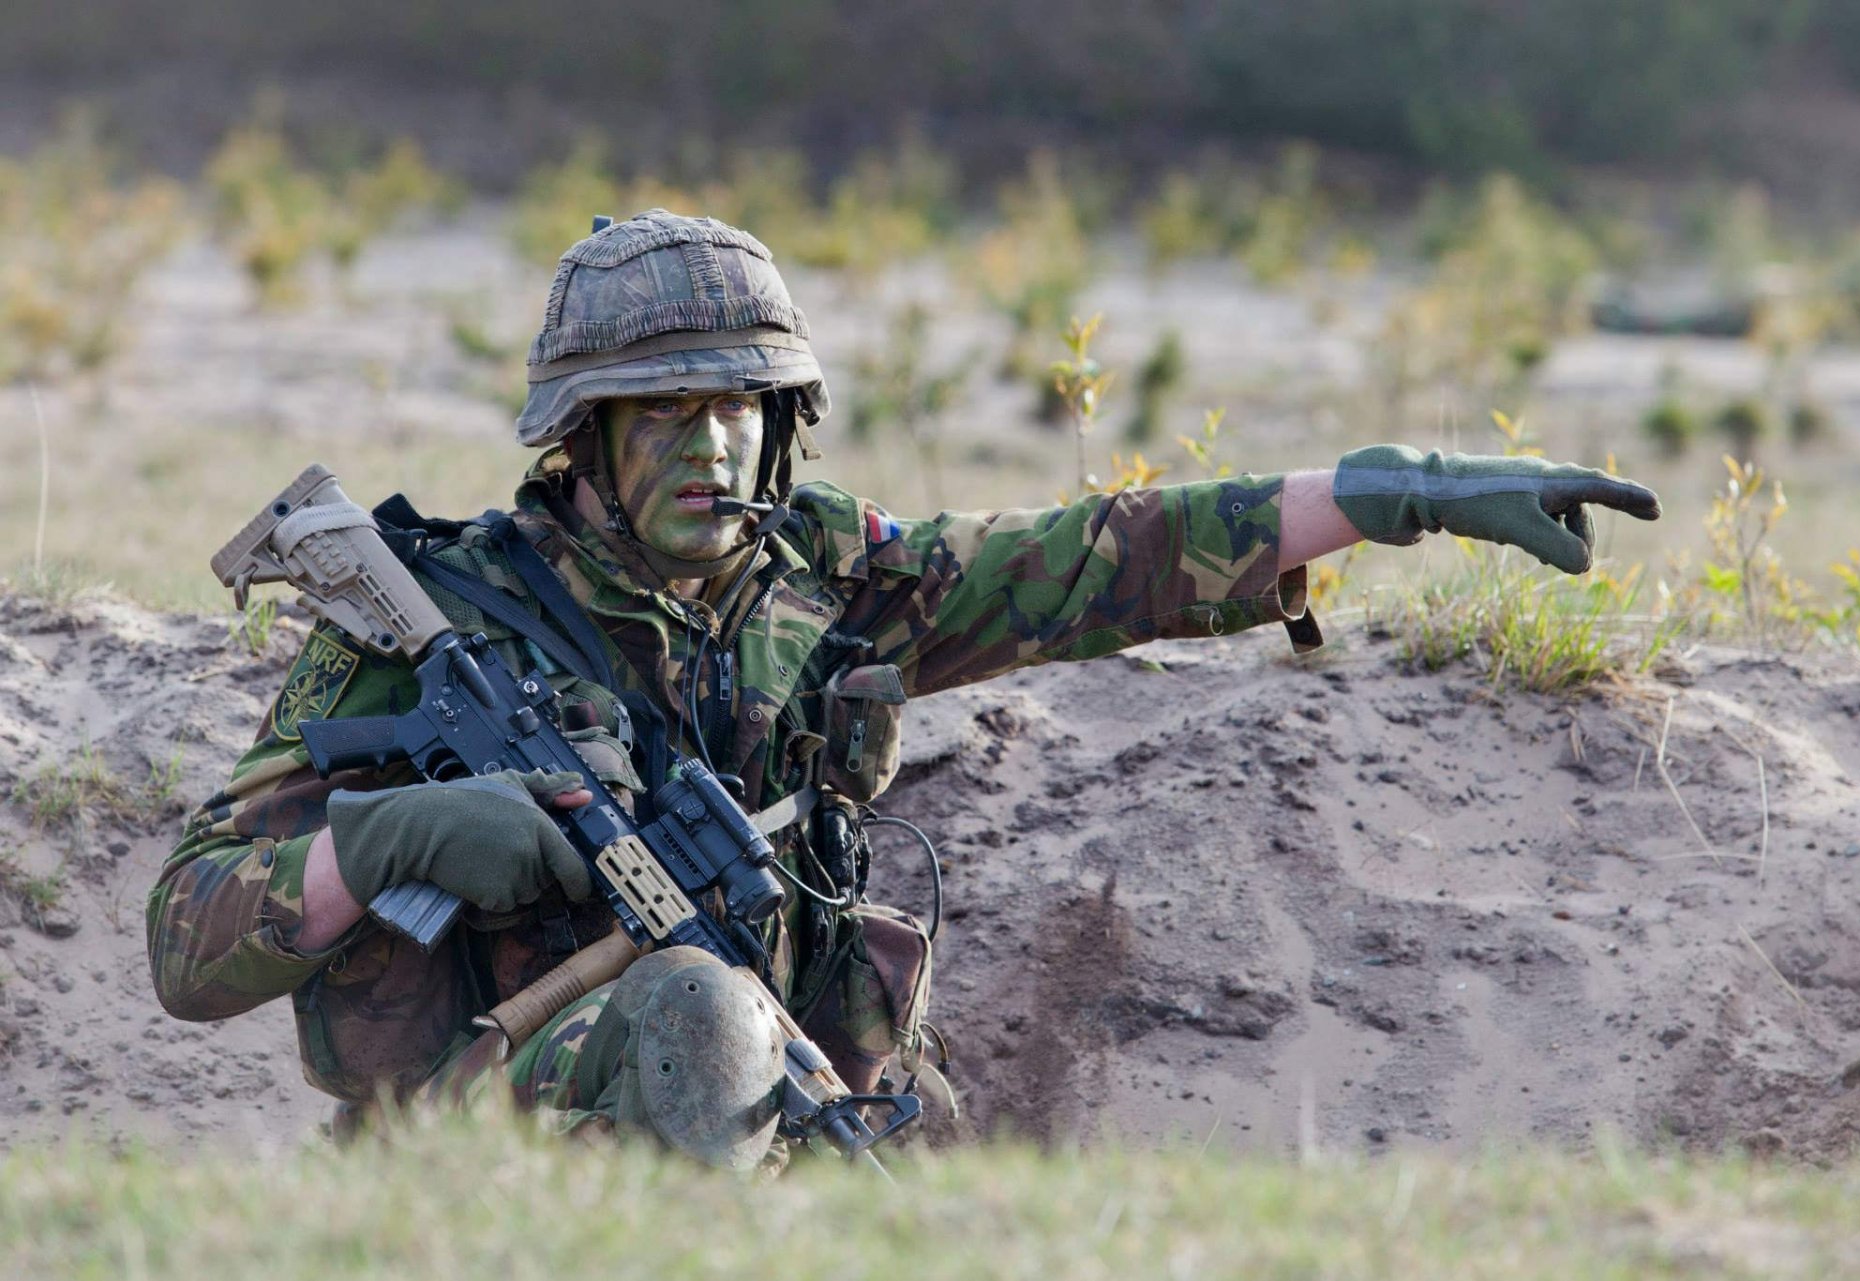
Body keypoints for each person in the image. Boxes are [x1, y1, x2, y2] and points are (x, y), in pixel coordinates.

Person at [146, 210, 1660, 1167]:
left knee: (888, 1126)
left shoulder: (822, 580)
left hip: (780, 1115)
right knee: (692, 1012)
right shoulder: (435, 624)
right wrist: (390, 845)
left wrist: (1393, 493)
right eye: (664, 411)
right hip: (487, 1145)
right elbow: (185, 940)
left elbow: (1100, 559)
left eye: (743, 407)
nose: (712, 448)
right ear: (581, 439)